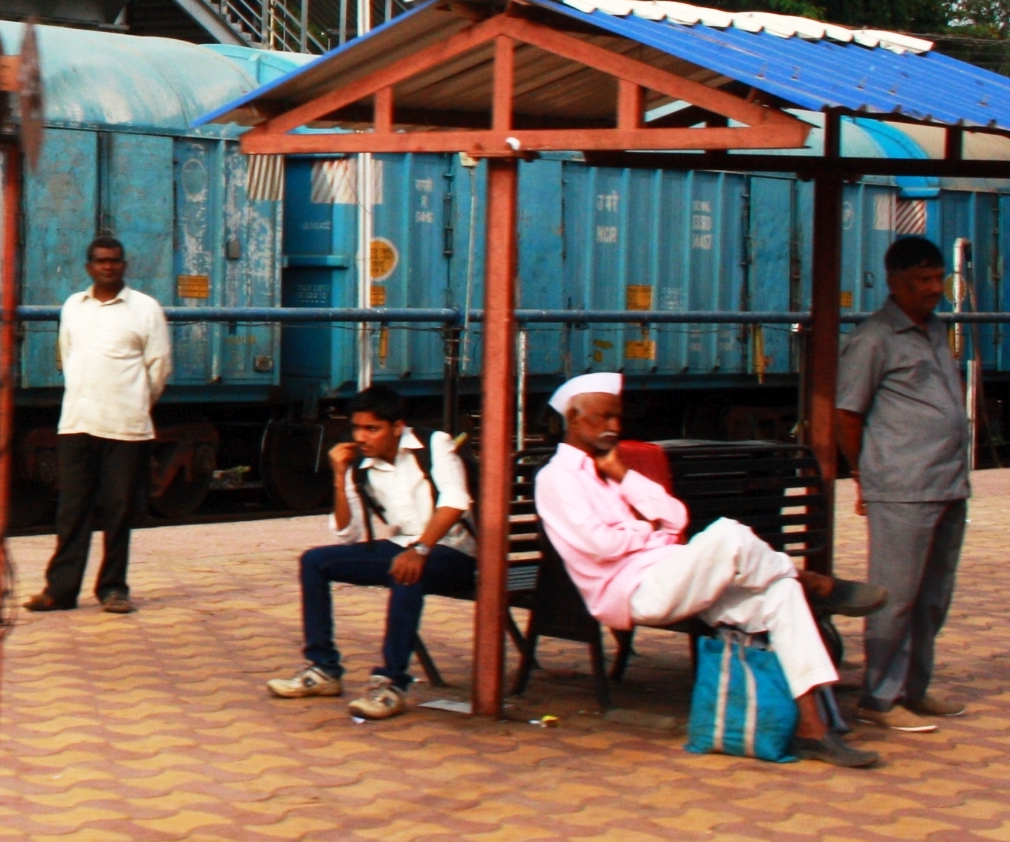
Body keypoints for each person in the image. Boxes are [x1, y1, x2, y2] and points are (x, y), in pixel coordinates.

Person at [533, 372, 884, 768]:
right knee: (729, 536)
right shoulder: (556, 480)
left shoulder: (612, 472)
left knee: (780, 595)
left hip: (671, 571)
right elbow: (599, 546)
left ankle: (813, 729)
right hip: (632, 590)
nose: (615, 427)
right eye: (604, 417)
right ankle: (811, 581)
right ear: (575, 419)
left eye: (618, 417)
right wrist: (646, 530)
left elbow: (676, 516)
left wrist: (625, 479)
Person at [266, 385, 476, 719]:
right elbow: (348, 534)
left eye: (372, 429)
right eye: (357, 428)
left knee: (406, 571)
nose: (362, 437)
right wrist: (339, 476)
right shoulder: (359, 463)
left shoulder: (434, 444)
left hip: (453, 551)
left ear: (397, 427)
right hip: (403, 545)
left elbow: (455, 502)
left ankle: (392, 684)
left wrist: (420, 550)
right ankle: (323, 669)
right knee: (315, 561)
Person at [836, 235, 974, 728]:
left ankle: (914, 688)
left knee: (933, 596)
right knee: (894, 597)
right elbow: (847, 413)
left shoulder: (935, 329)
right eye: (922, 280)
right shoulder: (874, 338)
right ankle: (879, 699)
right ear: (894, 282)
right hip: (902, 487)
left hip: (948, 483)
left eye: (938, 279)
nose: (934, 289)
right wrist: (864, 474)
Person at [28, 235, 169, 615]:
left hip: (126, 427)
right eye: (101, 261)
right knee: (71, 510)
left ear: (125, 265)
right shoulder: (74, 306)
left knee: (119, 509)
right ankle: (61, 590)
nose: (109, 266)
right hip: (77, 423)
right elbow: (67, 355)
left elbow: (159, 367)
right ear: (89, 265)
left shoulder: (146, 309)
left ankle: (113, 589)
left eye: (115, 261)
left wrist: (136, 403)